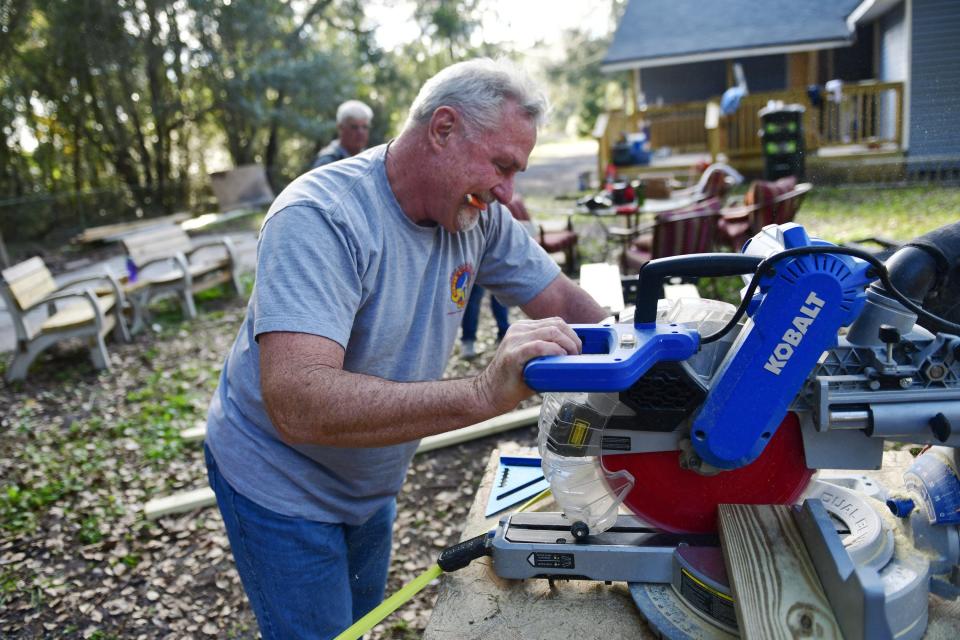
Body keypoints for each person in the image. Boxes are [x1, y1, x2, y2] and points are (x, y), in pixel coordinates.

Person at [204, 57, 607, 639]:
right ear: (442, 130)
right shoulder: (322, 218)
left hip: (369, 477)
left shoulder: (477, 216)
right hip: (280, 482)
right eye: (501, 165)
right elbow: (298, 402)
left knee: (357, 623)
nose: (507, 191)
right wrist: (481, 392)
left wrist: (647, 356)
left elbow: (563, 300)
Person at [459, 194, 534, 359]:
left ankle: (500, 333)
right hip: (477, 254)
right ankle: (470, 340)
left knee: (496, 299)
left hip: (490, 254)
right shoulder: (486, 202)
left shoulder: (499, 206)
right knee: (474, 299)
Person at [310, 99, 373, 169]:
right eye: (354, 127)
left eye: (365, 127)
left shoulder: (370, 159)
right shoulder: (327, 162)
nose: (360, 132)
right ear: (340, 128)